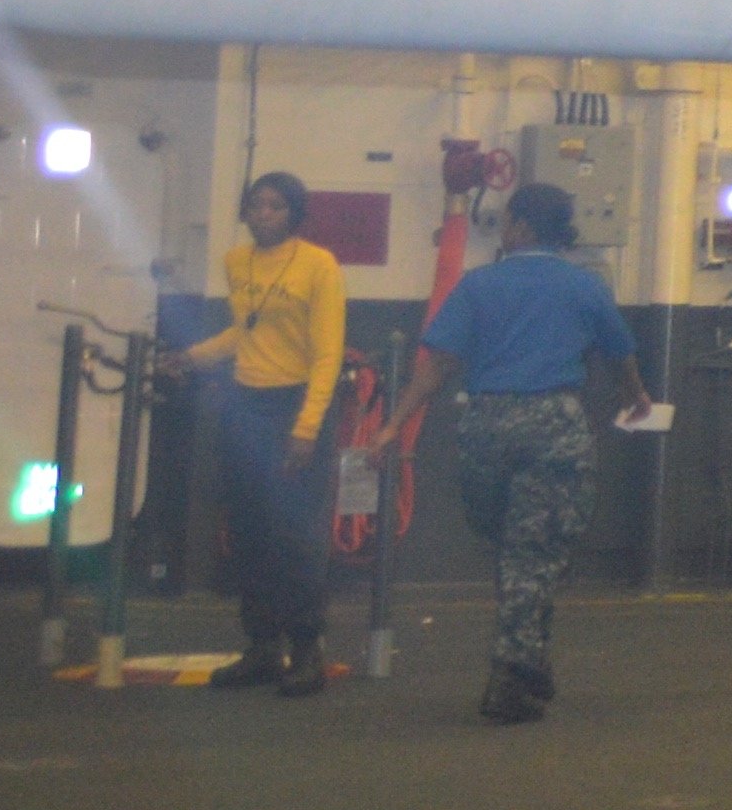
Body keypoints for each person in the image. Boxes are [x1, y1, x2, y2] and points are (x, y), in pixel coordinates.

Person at [379, 186, 644, 725]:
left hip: (485, 427)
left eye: (507, 221)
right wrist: (635, 397)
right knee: (533, 556)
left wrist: (391, 425)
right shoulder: (584, 286)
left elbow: (434, 368)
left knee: (513, 551)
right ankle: (512, 673)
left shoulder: (478, 285)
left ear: (521, 226)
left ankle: (529, 665)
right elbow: (622, 357)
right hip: (553, 427)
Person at [169, 172, 347, 696]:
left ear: (294, 214)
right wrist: (190, 356)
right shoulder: (236, 262)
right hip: (245, 404)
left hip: (295, 405)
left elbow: (327, 351)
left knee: (294, 535)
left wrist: (308, 426)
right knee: (249, 532)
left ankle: (308, 650)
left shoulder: (319, 265)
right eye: (255, 205)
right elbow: (244, 330)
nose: (262, 213)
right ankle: (264, 647)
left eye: (274, 206)